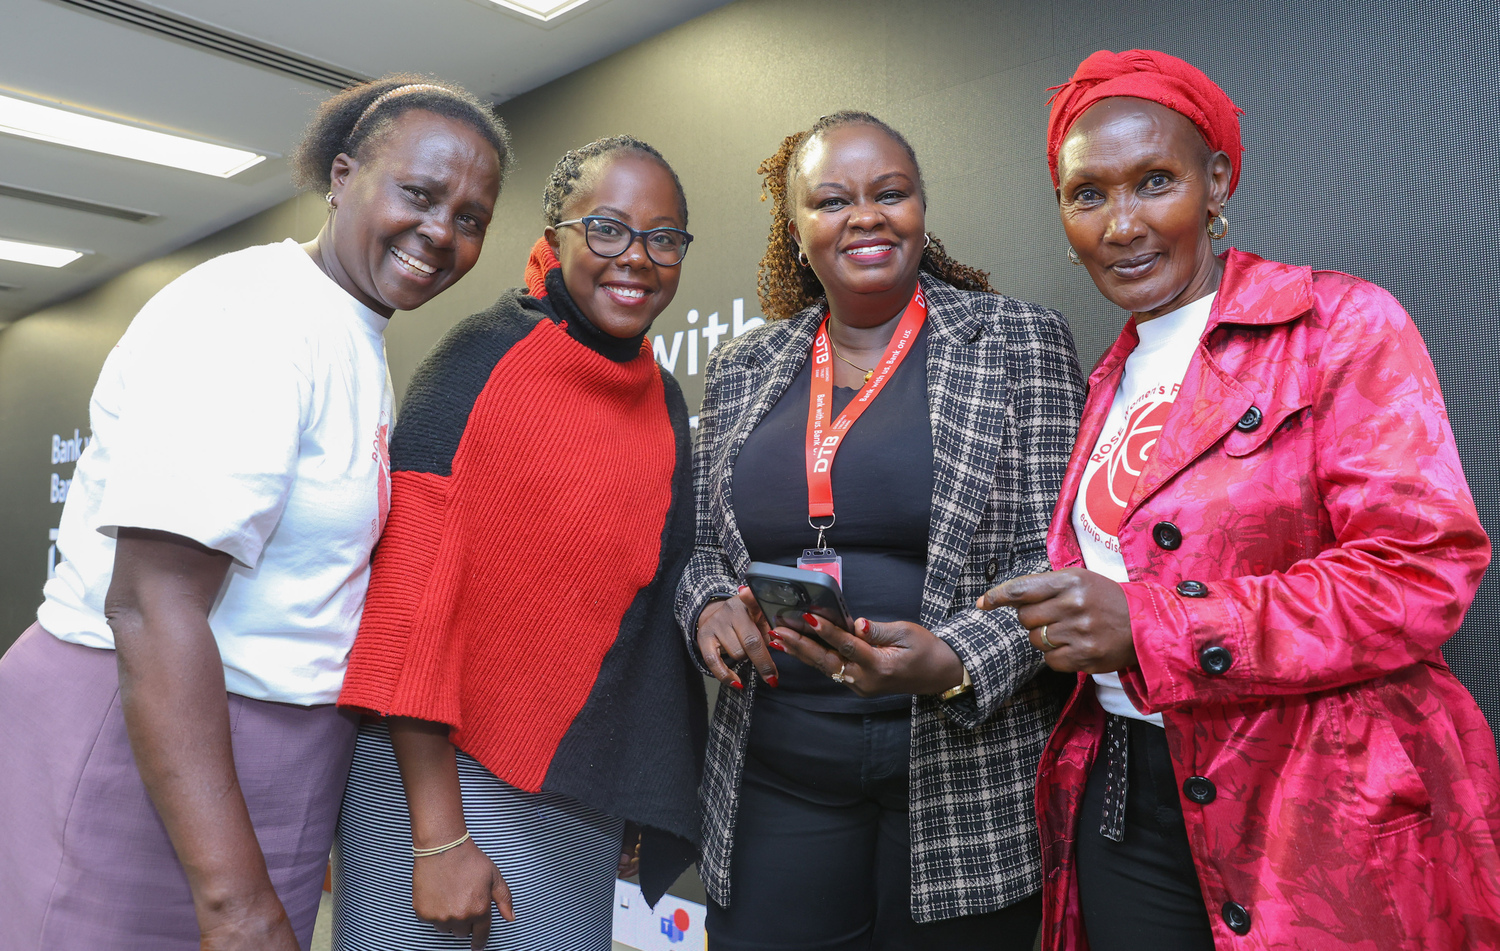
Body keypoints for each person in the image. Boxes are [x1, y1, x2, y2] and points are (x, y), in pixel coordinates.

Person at [978, 48, 1500, 951]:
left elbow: (1419, 571)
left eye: (1154, 181)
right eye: (1087, 194)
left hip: (1313, 802)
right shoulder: (1113, 376)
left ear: (1216, 182)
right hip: (1127, 798)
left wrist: (1152, 624)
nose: (1122, 223)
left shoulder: (1338, 326)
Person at [0, 76, 508, 951]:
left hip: (259, 748)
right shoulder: (254, 316)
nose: (441, 230)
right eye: (419, 194)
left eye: (470, 217)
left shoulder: (349, 330)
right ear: (342, 175)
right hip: (144, 740)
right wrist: (236, 900)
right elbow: (153, 603)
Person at [679, 111, 1086, 950]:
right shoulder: (742, 368)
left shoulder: (1018, 341)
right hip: (778, 772)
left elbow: (1056, 556)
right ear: (797, 231)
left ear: (920, 211)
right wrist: (710, 603)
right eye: (832, 200)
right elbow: (698, 550)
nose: (864, 215)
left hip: (961, 775)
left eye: (889, 193)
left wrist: (955, 662)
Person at [333, 134, 706, 951]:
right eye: (606, 229)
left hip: (574, 794)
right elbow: (405, 606)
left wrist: (635, 784)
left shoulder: (663, 399)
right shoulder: (485, 356)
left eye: (663, 238)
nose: (635, 258)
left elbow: (641, 611)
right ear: (557, 235)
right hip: (439, 779)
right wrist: (437, 837)